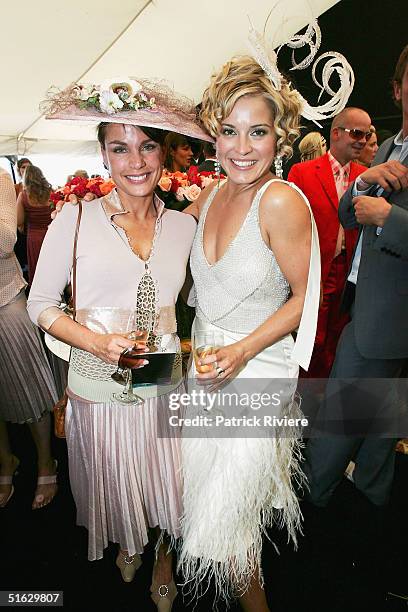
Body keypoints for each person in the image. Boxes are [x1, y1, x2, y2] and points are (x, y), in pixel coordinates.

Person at [27, 77, 211, 611]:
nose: (136, 161)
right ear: (103, 156)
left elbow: (196, 301)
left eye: (148, 145)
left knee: (167, 484)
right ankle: (130, 538)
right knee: (115, 478)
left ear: (164, 151)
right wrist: (96, 342)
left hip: (163, 384)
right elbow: (41, 304)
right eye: (119, 148)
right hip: (97, 383)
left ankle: (161, 554)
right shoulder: (75, 218)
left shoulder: (183, 226)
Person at [178, 55, 321, 611]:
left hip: (256, 370)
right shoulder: (208, 196)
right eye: (230, 131)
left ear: (278, 136)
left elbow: (307, 297)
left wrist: (243, 349)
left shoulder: (281, 200)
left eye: (257, 132)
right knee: (221, 519)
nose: (242, 147)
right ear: (214, 135)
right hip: (207, 369)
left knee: (228, 522)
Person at [304, 43, 408, 602]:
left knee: (338, 426)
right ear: (397, 89)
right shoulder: (387, 148)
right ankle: (369, 513)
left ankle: (315, 509)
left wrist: (389, 217)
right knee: (378, 433)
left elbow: (379, 222)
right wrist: (366, 190)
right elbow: (348, 213)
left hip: (386, 318)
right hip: (364, 306)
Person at [288, 108, 369, 378]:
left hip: (350, 275)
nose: (363, 140)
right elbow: (290, 230)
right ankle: (302, 405)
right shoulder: (302, 172)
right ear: (336, 133)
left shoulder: (366, 176)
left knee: (340, 341)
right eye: (357, 133)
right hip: (313, 273)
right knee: (311, 341)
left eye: (367, 135)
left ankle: (330, 406)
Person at [0, 168, 58, 511]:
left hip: (6, 298)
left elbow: (7, 239)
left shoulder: (2, 181)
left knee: (30, 387)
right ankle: (6, 461)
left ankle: (45, 462)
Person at [16, 165, 53, 285]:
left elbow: (19, 220)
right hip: (52, 235)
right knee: (55, 266)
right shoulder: (51, 192)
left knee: (39, 270)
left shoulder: (24, 195)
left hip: (34, 238)